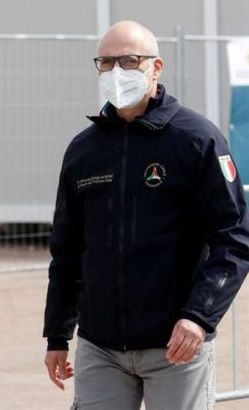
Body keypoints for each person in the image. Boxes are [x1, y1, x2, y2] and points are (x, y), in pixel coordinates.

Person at [43, 20, 249, 409]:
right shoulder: (84, 151)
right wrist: (57, 334)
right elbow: (67, 249)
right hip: (100, 346)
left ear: (156, 67)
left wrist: (199, 317)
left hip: (176, 344)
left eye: (128, 61)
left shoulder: (197, 140)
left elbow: (234, 237)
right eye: (106, 62)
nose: (115, 71)